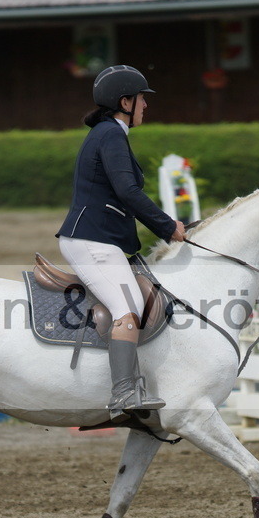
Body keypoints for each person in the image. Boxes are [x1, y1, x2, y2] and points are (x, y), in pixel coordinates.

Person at [56, 65, 187, 418]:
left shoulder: (109, 133)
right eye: (142, 99)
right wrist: (167, 227)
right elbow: (127, 192)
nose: (146, 105)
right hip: (91, 240)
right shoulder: (111, 134)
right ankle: (124, 394)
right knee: (126, 309)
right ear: (125, 102)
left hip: (99, 238)